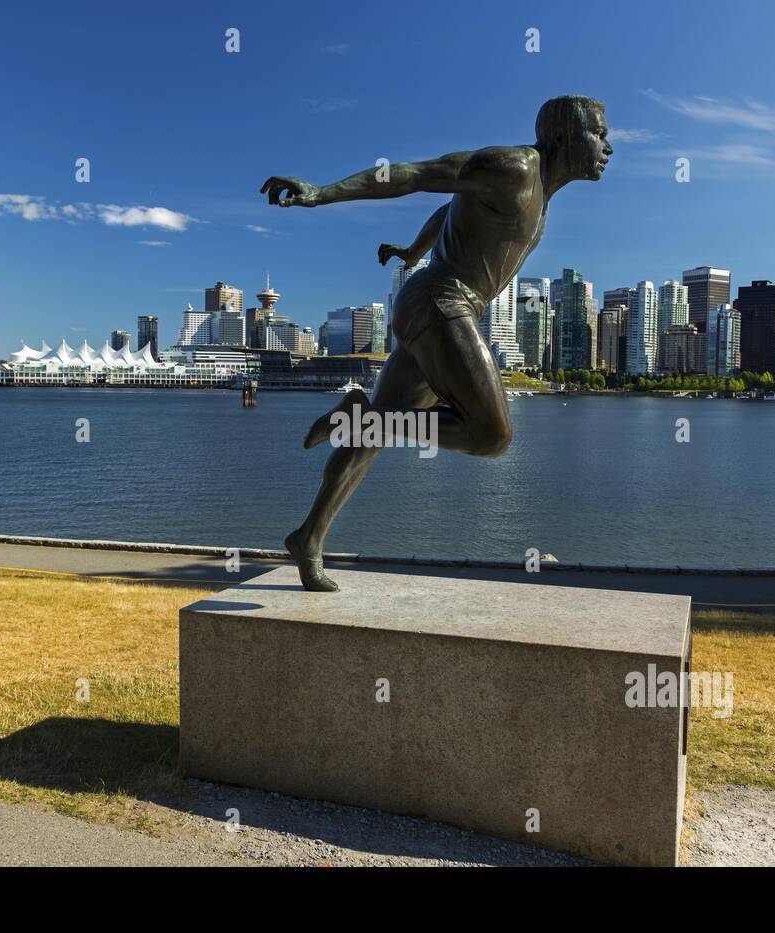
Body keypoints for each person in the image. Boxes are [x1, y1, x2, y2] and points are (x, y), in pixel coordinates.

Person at [260, 95, 612, 591]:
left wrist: (411, 250)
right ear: (562, 136)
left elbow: (449, 210)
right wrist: (322, 193)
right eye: (598, 133)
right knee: (492, 437)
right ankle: (362, 419)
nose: (608, 146)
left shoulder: (541, 196)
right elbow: (414, 174)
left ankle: (309, 537)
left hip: (439, 305)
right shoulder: (514, 167)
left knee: (373, 438)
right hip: (442, 302)